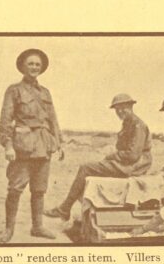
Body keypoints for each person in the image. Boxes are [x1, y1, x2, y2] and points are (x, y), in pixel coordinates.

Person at [45, 93, 152, 221]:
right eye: (117, 109)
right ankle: (73, 209)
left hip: (133, 166)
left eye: (124, 108)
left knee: (86, 168)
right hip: (128, 164)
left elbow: (133, 155)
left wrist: (112, 155)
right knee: (95, 167)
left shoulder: (137, 125)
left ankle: (65, 209)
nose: (120, 111)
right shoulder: (128, 123)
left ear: (131, 106)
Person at [0, 49, 64, 243]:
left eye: (37, 64)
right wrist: (8, 146)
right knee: (15, 189)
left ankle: (38, 227)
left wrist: (59, 143)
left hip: (44, 146)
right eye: (30, 64)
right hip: (23, 147)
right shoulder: (14, 90)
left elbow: (53, 119)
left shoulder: (45, 92)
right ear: (23, 67)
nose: (34, 67)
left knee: (39, 189)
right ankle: (9, 229)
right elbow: (5, 121)